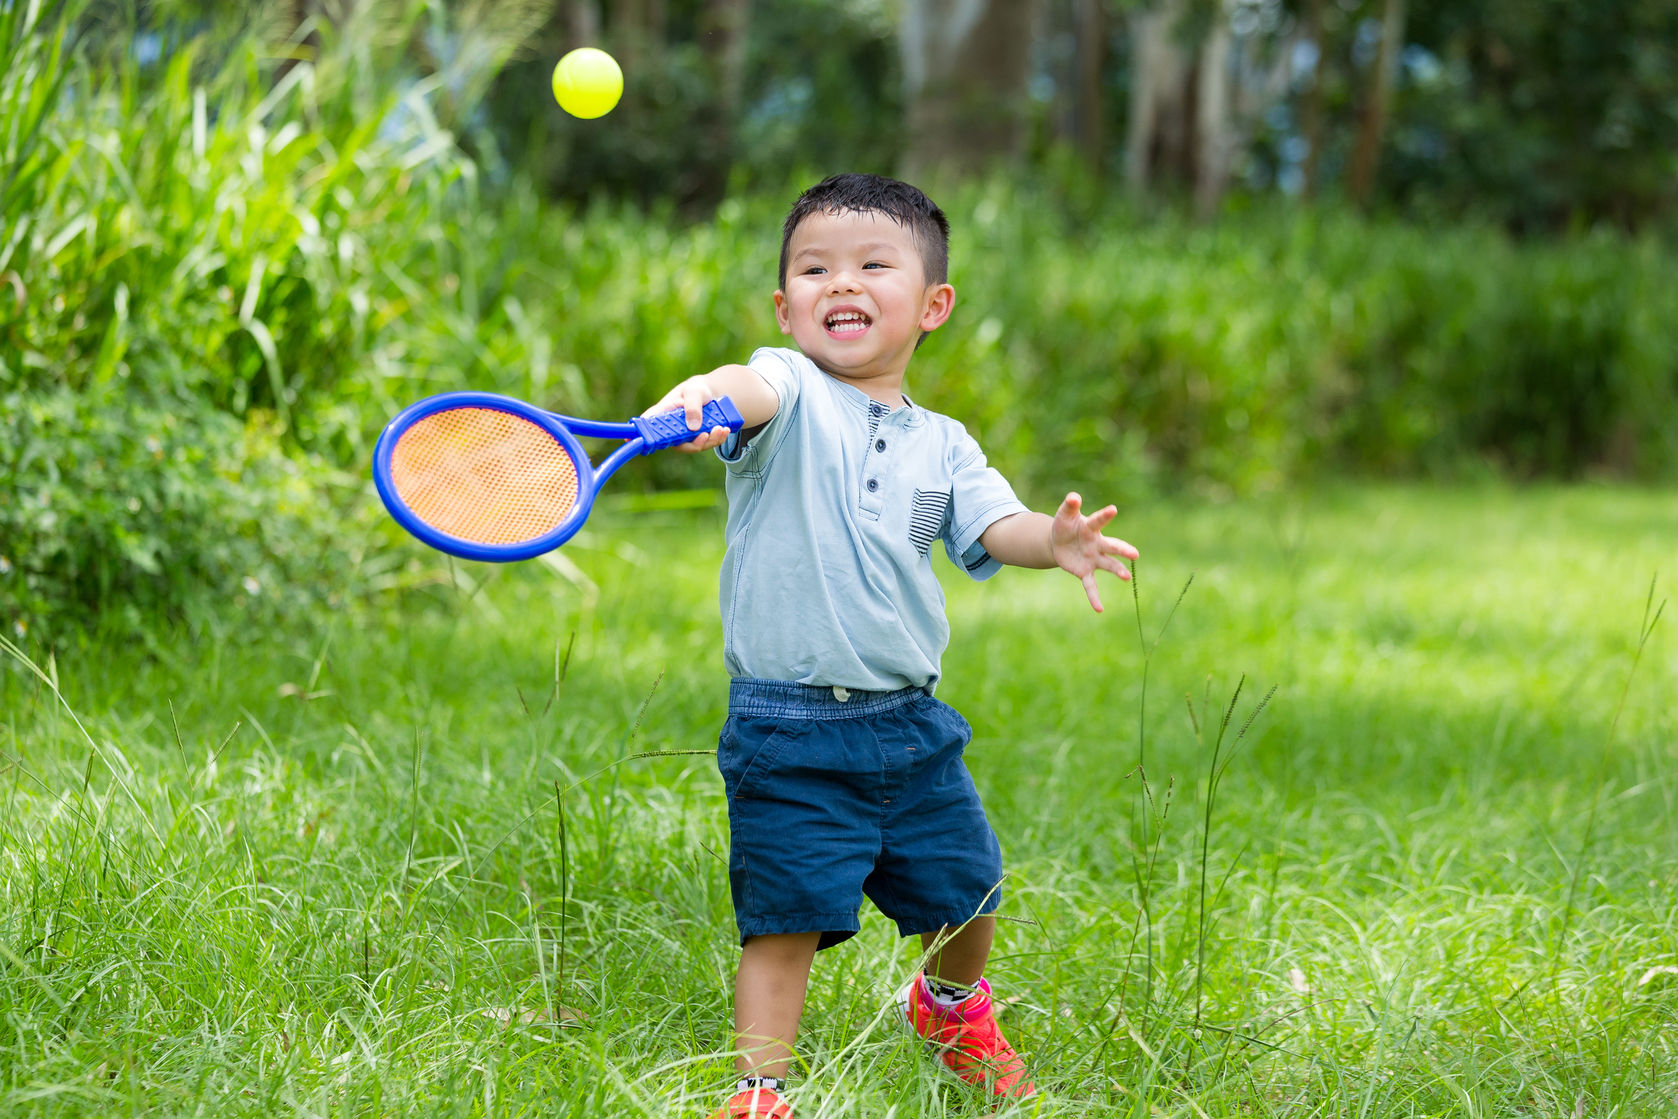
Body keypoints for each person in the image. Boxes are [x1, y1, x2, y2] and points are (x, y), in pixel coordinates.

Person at [645, 173, 1137, 1119]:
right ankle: (759, 1091)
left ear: (932, 306)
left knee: (968, 886)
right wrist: (703, 395)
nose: (843, 283)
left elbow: (998, 527)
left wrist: (1056, 540)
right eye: (815, 268)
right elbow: (742, 387)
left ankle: (950, 1008)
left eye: (875, 265)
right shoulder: (786, 395)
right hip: (787, 729)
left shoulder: (945, 444)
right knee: (784, 917)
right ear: (785, 308)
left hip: (910, 724)